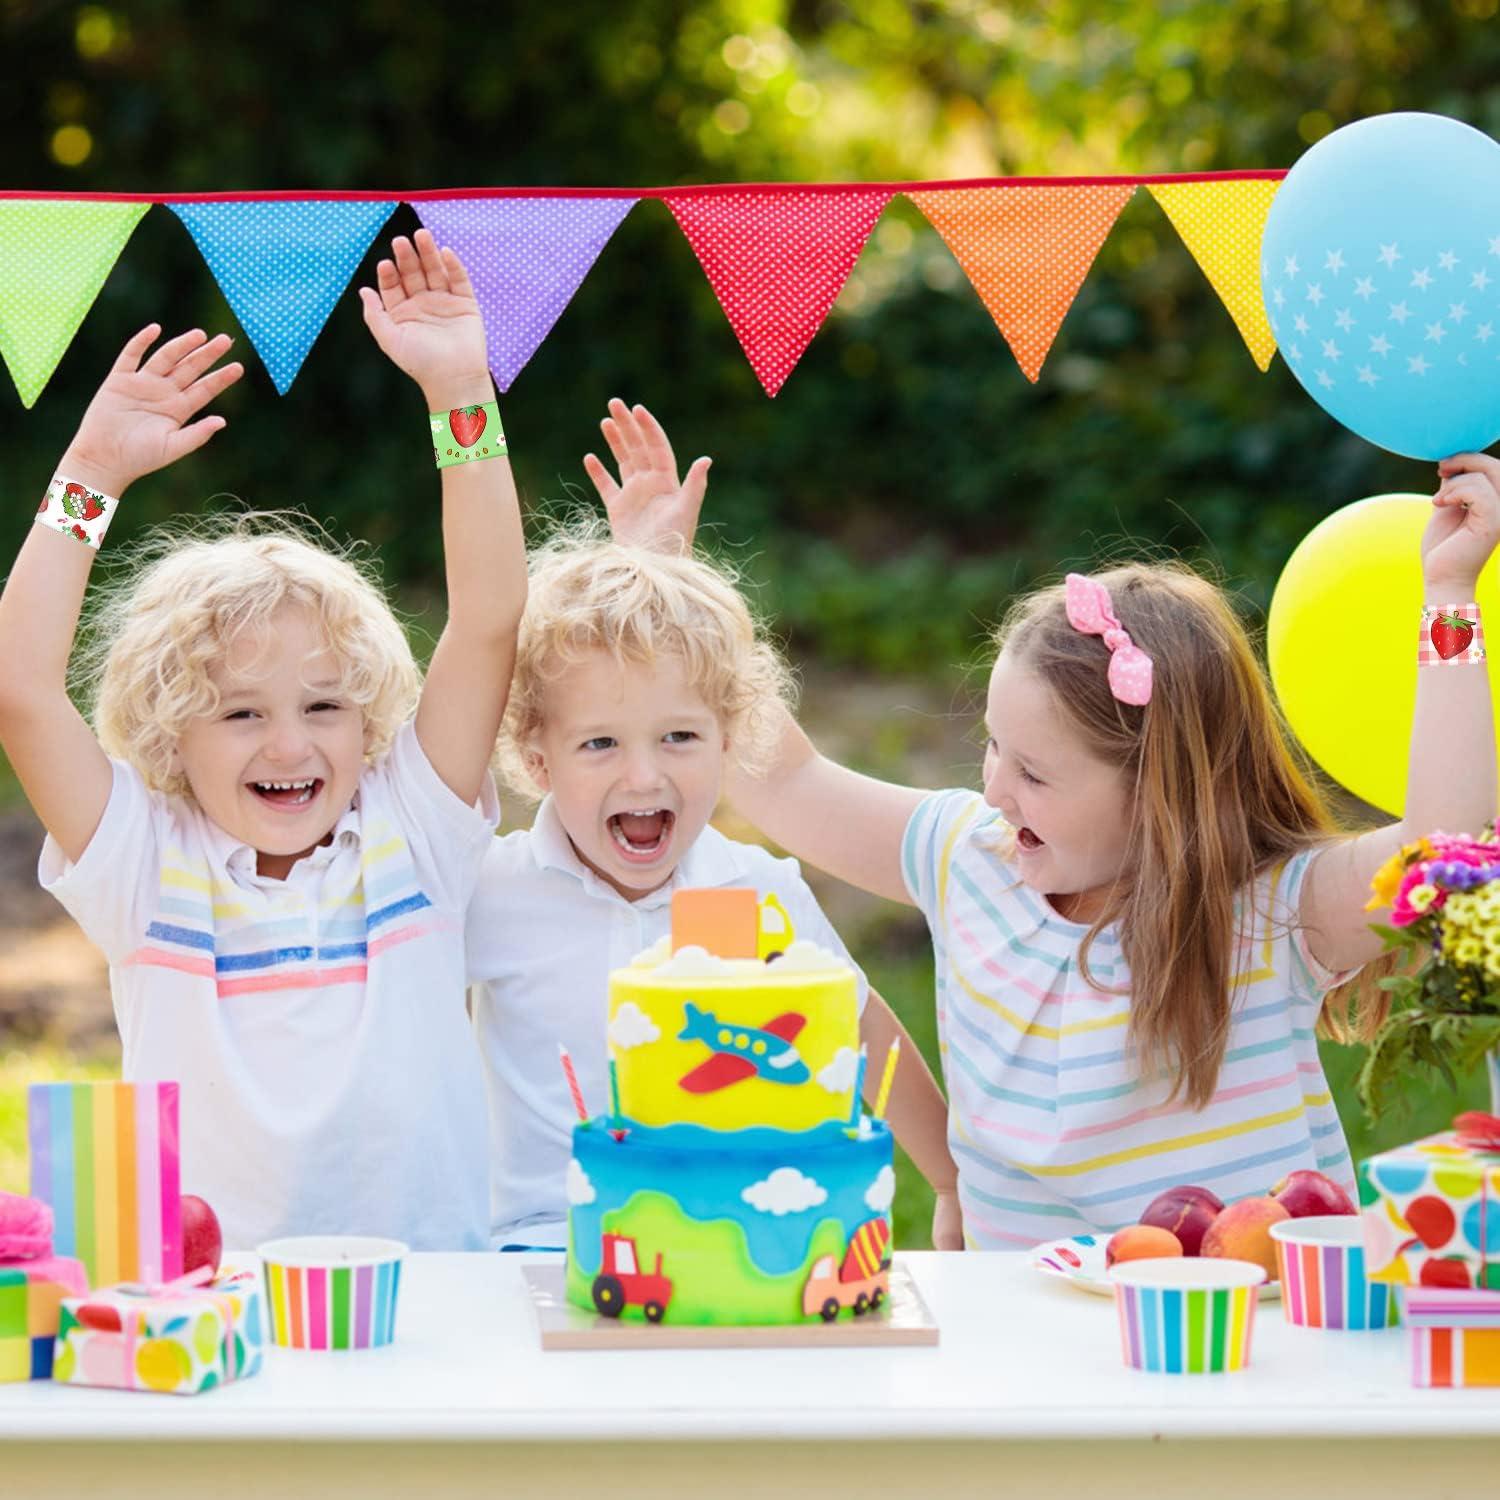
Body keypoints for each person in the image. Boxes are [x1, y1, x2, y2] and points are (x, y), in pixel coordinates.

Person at [671, 445, 1500, 1251]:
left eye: (1033, 772)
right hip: (1031, 1364)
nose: (996, 791)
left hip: (1246, 1360)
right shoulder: (972, 858)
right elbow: (780, 778)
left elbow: (1445, 847)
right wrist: (668, 583)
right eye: (994, 748)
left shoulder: (1270, 912)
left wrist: (1449, 589)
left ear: (1161, 792)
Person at [0, 230, 526, 1251]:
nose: (291, 745)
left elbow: (490, 617)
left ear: (368, 715)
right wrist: (91, 473)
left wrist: (463, 393)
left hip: (433, 1310)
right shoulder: (145, 863)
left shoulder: (412, 825)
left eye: (325, 706)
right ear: (169, 734)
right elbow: (20, 693)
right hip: (210, 1319)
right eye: (242, 714)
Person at [465, 401, 960, 1251]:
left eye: (681, 738)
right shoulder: (490, 891)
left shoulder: (755, 891)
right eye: (599, 744)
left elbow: (858, 1021)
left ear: (732, 739)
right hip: (537, 1245)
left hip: (728, 1245)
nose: (646, 774)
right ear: (536, 759)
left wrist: (953, 1179)